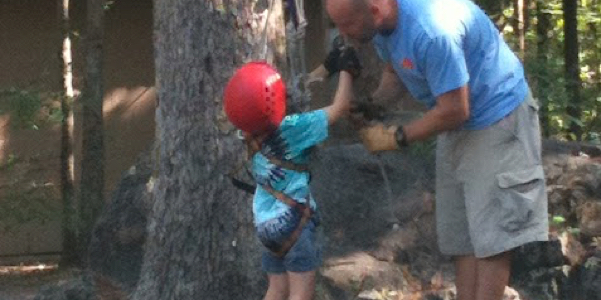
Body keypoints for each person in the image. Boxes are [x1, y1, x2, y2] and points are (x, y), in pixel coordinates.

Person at [325, 0, 549, 300]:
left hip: (498, 119)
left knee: (493, 239)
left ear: (375, 11)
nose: (343, 34)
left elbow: (456, 109)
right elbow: (395, 69)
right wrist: (375, 105)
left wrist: (397, 137)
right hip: (456, 125)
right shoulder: (380, 27)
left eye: (346, 25)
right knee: (461, 237)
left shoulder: (432, 30)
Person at [223, 48, 361, 300]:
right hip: (294, 221)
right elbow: (339, 108)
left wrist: (325, 68)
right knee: (300, 295)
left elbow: (277, 97)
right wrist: (346, 71)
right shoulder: (293, 130)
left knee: (276, 290)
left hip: (266, 226)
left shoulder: (246, 134)